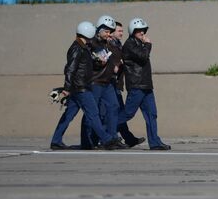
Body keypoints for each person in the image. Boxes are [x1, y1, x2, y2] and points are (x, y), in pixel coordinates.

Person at [50, 21, 122, 150]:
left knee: (69, 115)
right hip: (81, 88)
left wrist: (97, 61)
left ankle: (56, 140)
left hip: (78, 87)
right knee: (93, 114)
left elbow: (84, 64)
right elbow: (71, 69)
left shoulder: (83, 47)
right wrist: (66, 89)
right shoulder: (77, 48)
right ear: (88, 32)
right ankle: (107, 140)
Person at [117, 18, 171, 150]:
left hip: (146, 86)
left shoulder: (139, 44)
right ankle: (104, 133)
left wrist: (145, 44)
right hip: (136, 86)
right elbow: (143, 56)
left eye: (143, 30)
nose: (142, 33)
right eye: (139, 31)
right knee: (128, 113)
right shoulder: (130, 45)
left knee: (152, 114)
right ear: (133, 32)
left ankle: (155, 143)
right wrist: (148, 44)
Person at [80, 15, 122, 149]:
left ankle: (111, 138)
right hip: (95, 81)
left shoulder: (108, 43)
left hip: (107, 81)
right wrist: (97, 61)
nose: (108, 34)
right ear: (99, 30)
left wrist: (111, 44)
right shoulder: (91, 43)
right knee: (92, 112)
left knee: (114, 107)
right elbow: (88, 61)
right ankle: (86, 141)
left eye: (110, 31)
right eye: (106, 31)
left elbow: (116, 57)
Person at [109, 21, 146, 148]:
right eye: (119, 31)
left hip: (117, 83)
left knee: (120, 112)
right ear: (112, 32)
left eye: (122, 31)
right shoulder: (109, 46)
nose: (121, 33)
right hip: (109, 84)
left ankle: (128, 139)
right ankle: (110, 137)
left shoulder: (118, 45)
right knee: (119, 113)